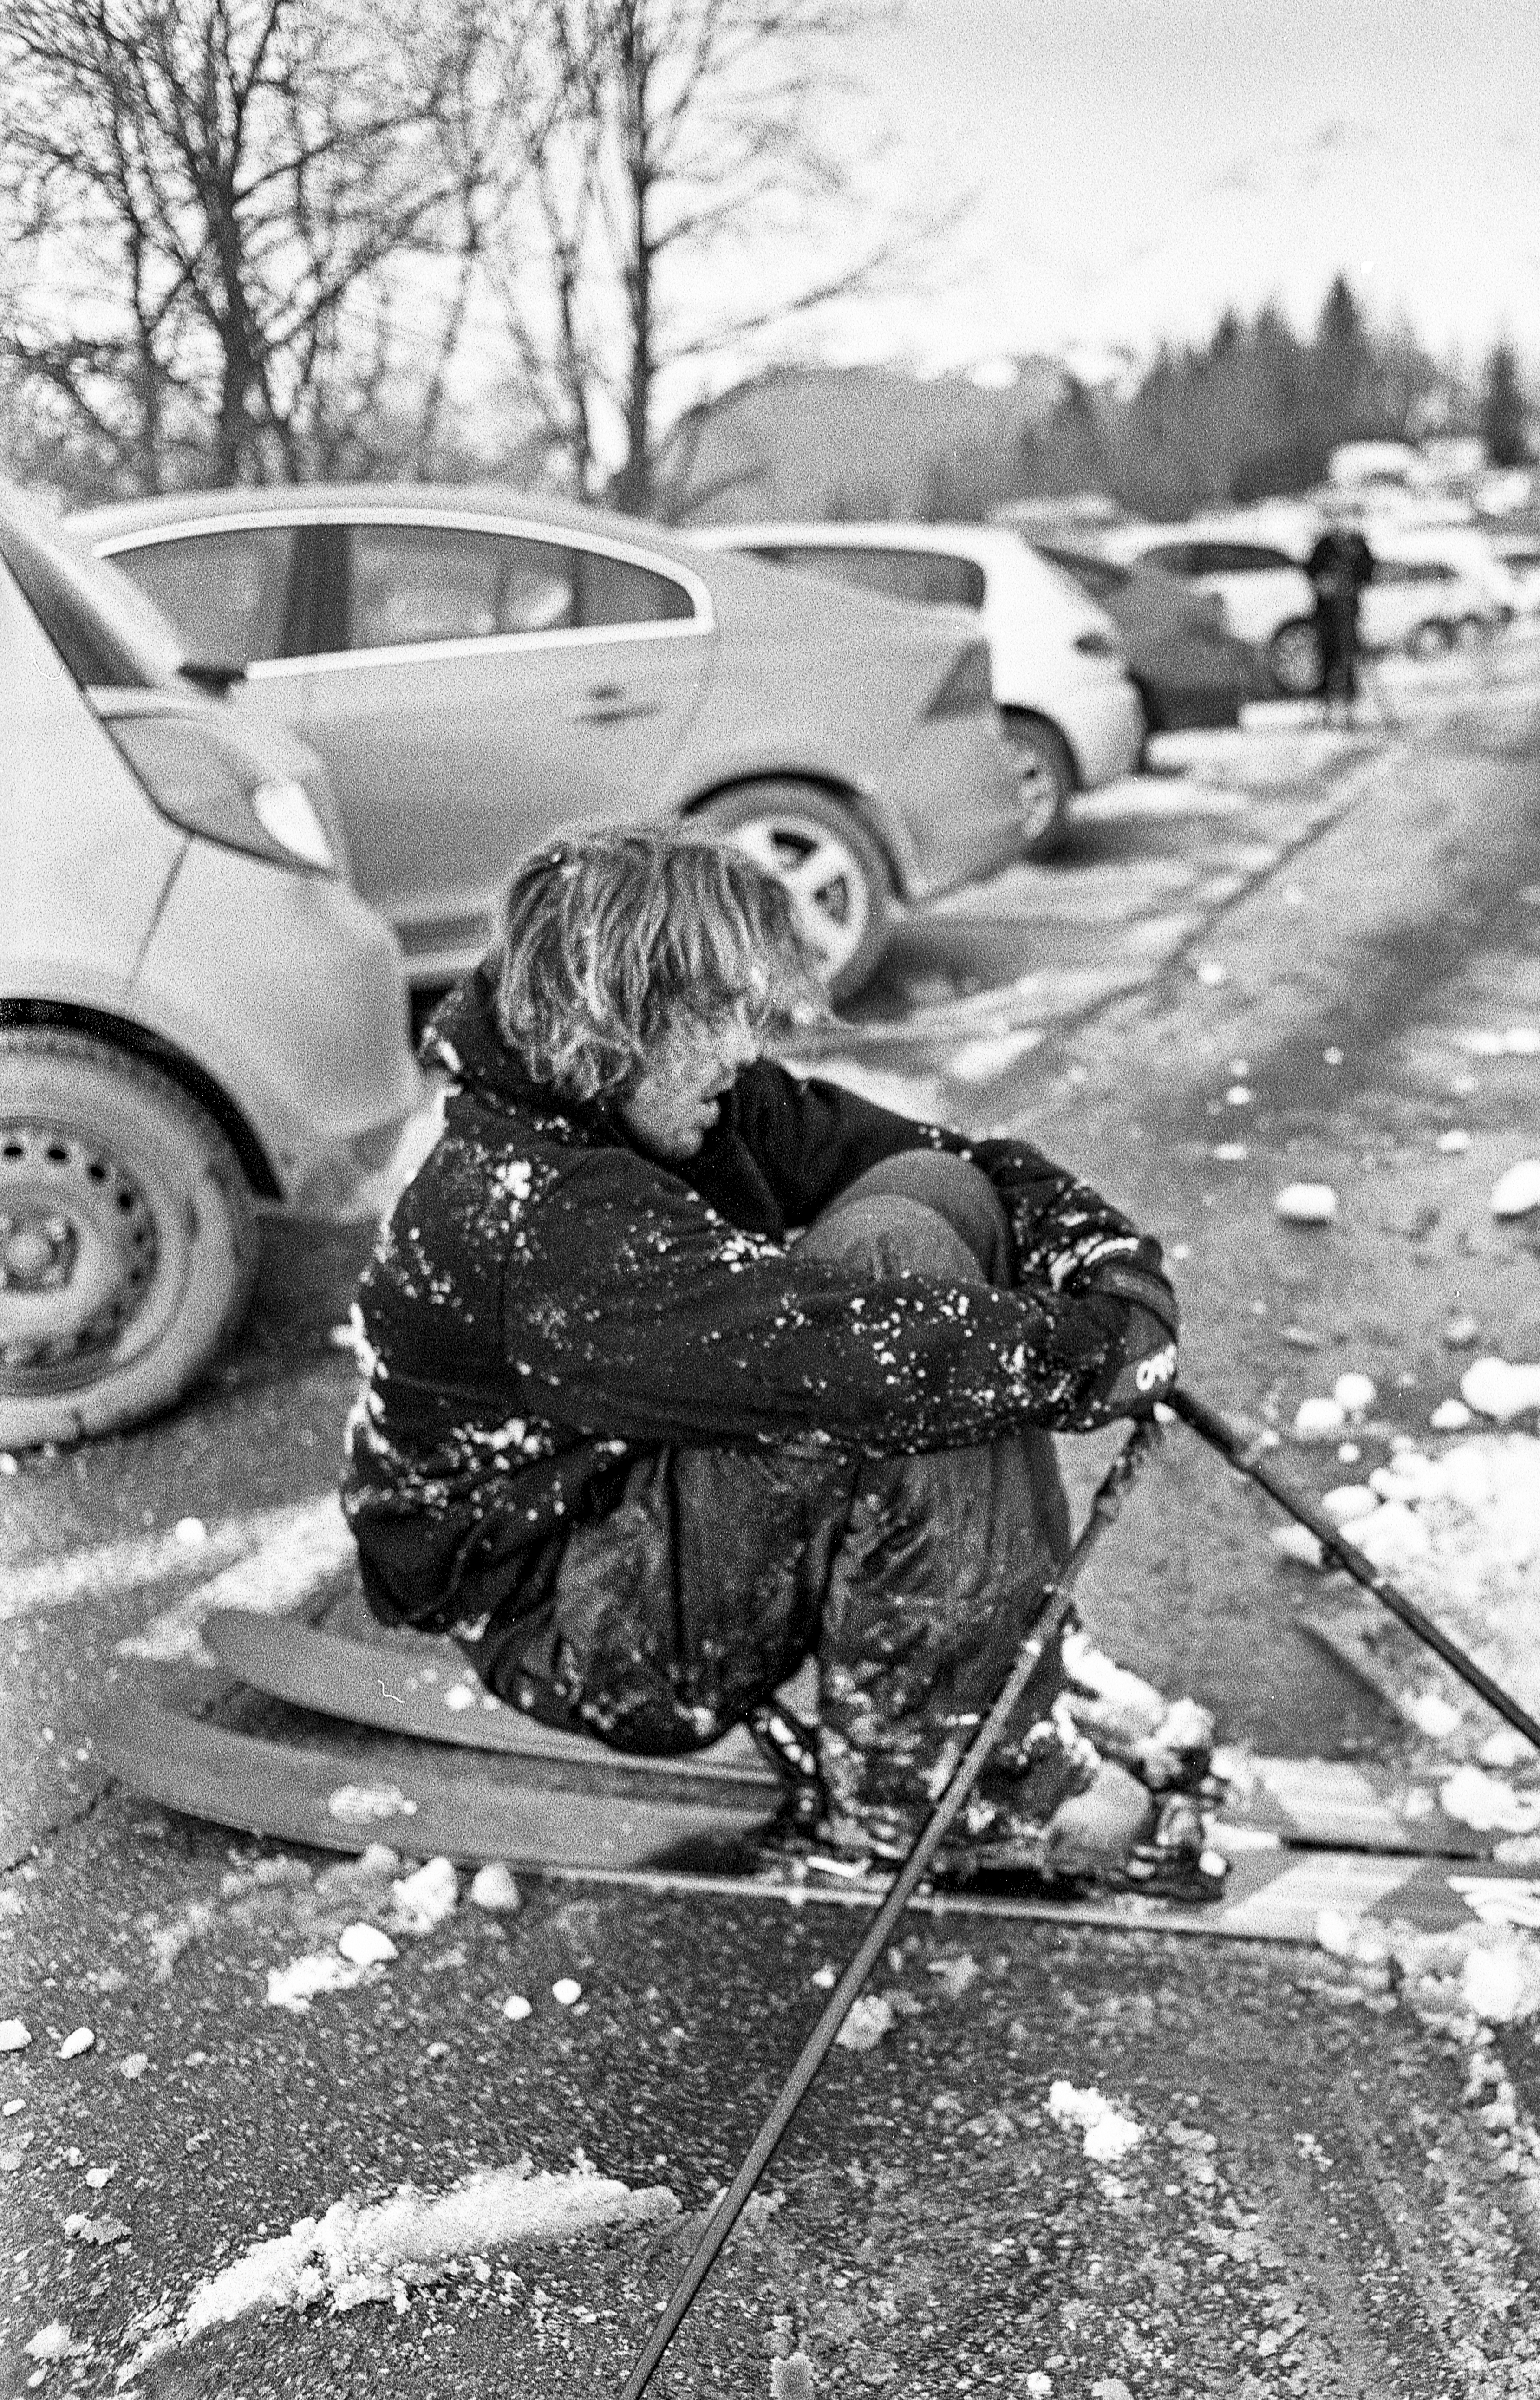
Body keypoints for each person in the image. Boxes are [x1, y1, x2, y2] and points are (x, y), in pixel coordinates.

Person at [341, 827, 1214, 1892]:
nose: (740, 1049)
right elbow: (848, 1358)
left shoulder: (673, 1105)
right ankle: (924, 1779)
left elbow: (949, 1161)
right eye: (709, 1016)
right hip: (581, 1624)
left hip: (648, 1517)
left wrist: (1106, 1266)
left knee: (940, 1203)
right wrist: (1087, 1357)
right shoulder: (539, 1214)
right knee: (900, 1290)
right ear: (609, 1016)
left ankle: (1002, 1658)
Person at [1305, 520, 1376, 723]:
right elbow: (1311, 570)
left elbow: (1368, 572)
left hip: (1348, 611)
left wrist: (1353, 583)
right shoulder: (1324, 545)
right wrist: (1323, 582)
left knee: (1349, 657)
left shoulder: (1358, 543)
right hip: (1327, 612)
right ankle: (1326, 709)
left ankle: (1349, 710)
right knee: (1328, 656)